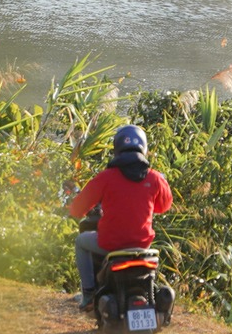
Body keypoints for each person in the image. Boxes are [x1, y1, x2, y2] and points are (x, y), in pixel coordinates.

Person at [67, 124, 173, 312]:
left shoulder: (106, 177)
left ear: (116, 149)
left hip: (110, 244)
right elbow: (163, 207)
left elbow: (77, 210)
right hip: (142, 246)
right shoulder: (155, 178)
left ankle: (89, 293)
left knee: (81, 241)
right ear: (144, 148)